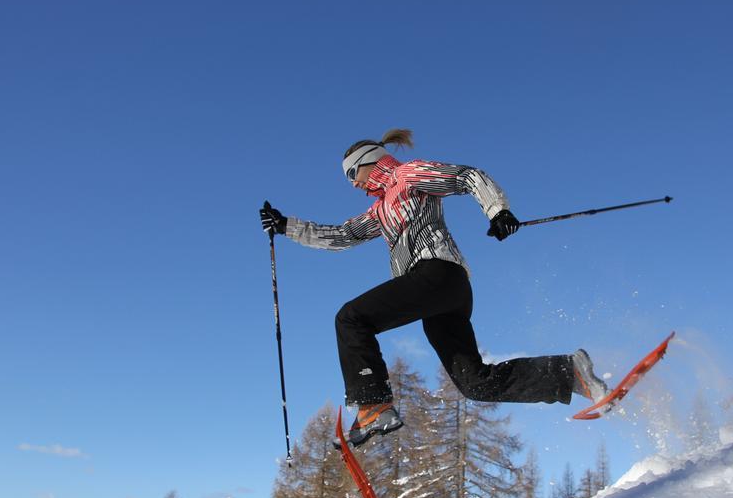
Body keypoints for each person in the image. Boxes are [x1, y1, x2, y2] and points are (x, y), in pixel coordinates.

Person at [260, 128, 608, 448]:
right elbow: (341, 236)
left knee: (351, 318)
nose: (352, 184)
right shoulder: (381, 210)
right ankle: (569, 372)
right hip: (439, 297)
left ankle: (373, 404)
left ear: (369, 162)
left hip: (438, 274)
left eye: (353, 174)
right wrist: (286, 226)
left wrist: (497, 210)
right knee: (476, 384)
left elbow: (466, 176)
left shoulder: (408, 175)